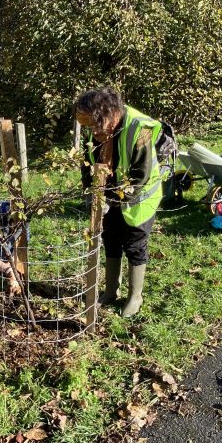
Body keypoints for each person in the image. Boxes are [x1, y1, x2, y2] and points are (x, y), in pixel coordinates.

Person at [77, 88, 163, 317]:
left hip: (139, 198)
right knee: (111, 240)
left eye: (95, 125)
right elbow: (88, 163)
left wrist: (115, 198)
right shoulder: (95, 129)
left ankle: (135, 297)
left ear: (109, 115)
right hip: (109, 196)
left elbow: (140, 175)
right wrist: (91, 192)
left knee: (134, 245)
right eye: (89, 127)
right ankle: (111, 291)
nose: (92, 132)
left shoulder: (140, 129)